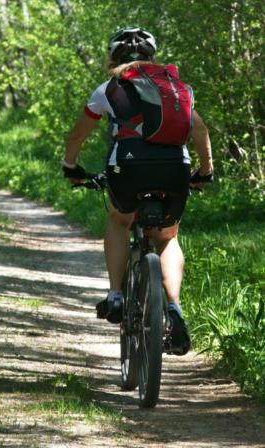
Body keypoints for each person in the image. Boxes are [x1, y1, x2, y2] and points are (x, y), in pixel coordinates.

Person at [62, 28, 213, 355]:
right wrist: (205, 171)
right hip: (175, 167)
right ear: (152, 57)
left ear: (113, 58)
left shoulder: (109, 89)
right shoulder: (173, 87)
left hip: (128, 168)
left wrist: (70, 167)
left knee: (119, 220)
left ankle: (116, 295)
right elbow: (198, 128)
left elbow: (77, 137)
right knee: (168, 237)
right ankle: (174, 308)